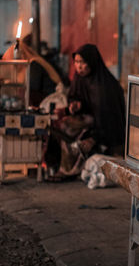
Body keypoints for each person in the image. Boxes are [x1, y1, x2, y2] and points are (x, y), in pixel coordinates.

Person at [43, 43, 125, 179]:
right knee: (57, 123)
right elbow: (77, 98)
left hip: (106, 129)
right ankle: (54, 164)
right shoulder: (80, 78)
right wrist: (74, 106)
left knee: (67, 127)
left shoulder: (104, 86)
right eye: (76, 62)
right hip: (90, 121)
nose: (79, 66)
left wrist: (94, 138)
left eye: (83, 62)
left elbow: (108, 117)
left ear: (92, 62)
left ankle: (68, 170)